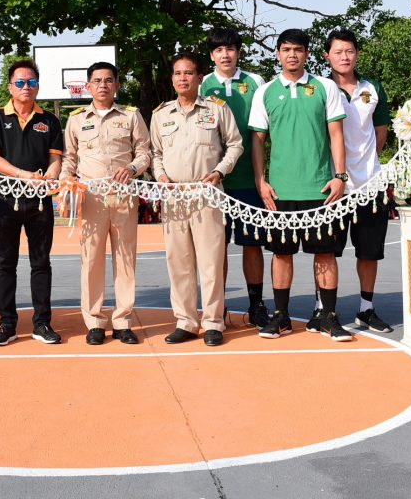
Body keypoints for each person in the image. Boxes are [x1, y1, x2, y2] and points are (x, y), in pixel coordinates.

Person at [249, 28, 351, 341]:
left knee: (325, 255)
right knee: (281, 255)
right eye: (286, 49)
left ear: (307, 54)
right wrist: (261, 181)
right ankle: (280, 316)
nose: (292, 55)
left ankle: (328, 316)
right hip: (280, 191)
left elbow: (336, 135)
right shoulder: (264, 91)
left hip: (320, 189)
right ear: (278, 53)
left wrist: (340, 176)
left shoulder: (324, 87)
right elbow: (257, 140)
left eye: (298, 49)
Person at [150, 52, 243, 346]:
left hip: (207, 193)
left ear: (200, 78)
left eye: (188, 73)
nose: (182, 78)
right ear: (172, 79)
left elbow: (235, 145)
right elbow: (155, 154)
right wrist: (161, 177)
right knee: (178, 261)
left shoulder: (216, 109)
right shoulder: (161, 114)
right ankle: (186, 321)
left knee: (211, 261)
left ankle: (214, 321)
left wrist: (219, 171)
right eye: (177, 73)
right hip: (174, 195)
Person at [60, 61, 151, 345]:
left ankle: (123, 321)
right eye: (97, 80)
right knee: (91, 261)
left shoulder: (132, 116)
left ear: (117, 85)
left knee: (125, 261)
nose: (103, 85)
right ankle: (95, 322)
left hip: (124, 197)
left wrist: (134, 169)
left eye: (108, 80)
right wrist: (66, 184)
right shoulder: (75, 119)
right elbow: (70, 158)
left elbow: (145, 152)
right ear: (87, 86)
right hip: (90, 199)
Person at [0, 59, 64, 346]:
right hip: (6, 201)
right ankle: (7, 324)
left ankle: (42, 324)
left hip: (40, 203)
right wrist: (23, 175)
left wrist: (51, 176)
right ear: (10, 86)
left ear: (38, 86)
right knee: (6, 264)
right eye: (20, 82)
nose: (25, 87)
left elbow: (55, 158)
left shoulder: (50, 120)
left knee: (41, 263)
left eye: (31, 82)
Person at [323, 28, 394, 333]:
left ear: (357, 54)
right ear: (327, 56)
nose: (344, 57)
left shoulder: (372, 87)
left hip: (370, 185)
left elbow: (381, 131)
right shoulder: (320, 88)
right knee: (326, 250)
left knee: (369, 251)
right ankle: (324, 310)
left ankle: (366, 309)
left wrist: (366, 163)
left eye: (349, 51)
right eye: (338, 52)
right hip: (332, 184)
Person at [199, 28, 271, 327]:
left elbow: (263, 130)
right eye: (218, 50)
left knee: (252, 245)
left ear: (238, 52)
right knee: (218, 246)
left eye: (229, 49)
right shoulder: (204, 84)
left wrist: (263, 175)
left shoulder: (255, 82)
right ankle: (220, 307)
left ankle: (256, 304)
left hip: (248, 180)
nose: (224, 55)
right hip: (216, 181)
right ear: (212, 55)